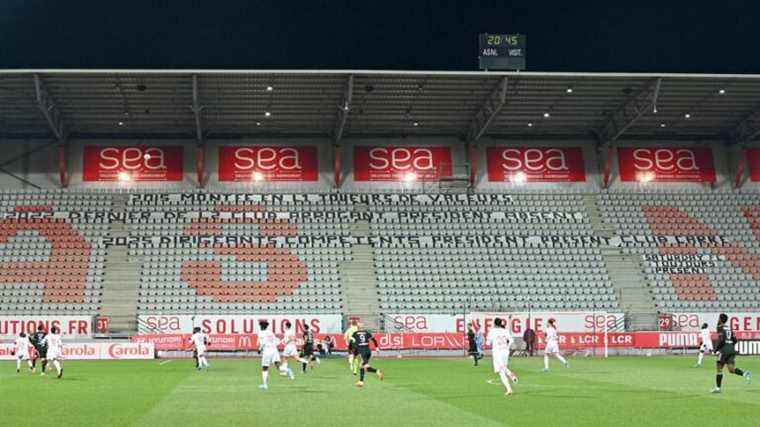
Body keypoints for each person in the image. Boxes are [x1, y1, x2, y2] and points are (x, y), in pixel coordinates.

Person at [711, 313, 752, 393]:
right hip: (731, 350)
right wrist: (730, 345)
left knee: (719, 369)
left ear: (720, 319)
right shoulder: (729, 328)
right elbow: (735, 340)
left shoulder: (719, 328)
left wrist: (716, 350)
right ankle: (745, 374)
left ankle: (718, 388)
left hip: (724, 351)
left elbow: (722, 340)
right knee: (731, 369)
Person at [486, 317, 518, 396]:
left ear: (494, 323)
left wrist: (487, 341)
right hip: (505, 351)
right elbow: (511, 341)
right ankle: (509, 389)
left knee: (502, 369)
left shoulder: (492, 331)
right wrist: (506, 345)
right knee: (501, 371)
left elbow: (488, 343)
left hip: (497, 352)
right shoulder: (505, 331)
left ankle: (511, 374)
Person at [352, 322, 384, 388]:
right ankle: (361, 382)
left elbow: (354, 345)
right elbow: (374, 340)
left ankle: (377, 371)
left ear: (357, 327)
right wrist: (377, 348)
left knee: (365, 366)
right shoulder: (367, 333)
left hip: (362, 351)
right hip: (368, 351)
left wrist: (354, 354)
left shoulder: (355, 334)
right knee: (362, 366)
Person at [257, 320, 282, 390]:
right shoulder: (270, 332)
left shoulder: (261, 333)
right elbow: (277, 341)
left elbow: (262, 343)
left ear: (261, 326)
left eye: (260, 326)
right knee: (278, 366)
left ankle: (265, 385)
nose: (260, 327)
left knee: (265, 368)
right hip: (274, 350)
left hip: (267, 351)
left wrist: (259, 349)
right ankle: (288, 371)